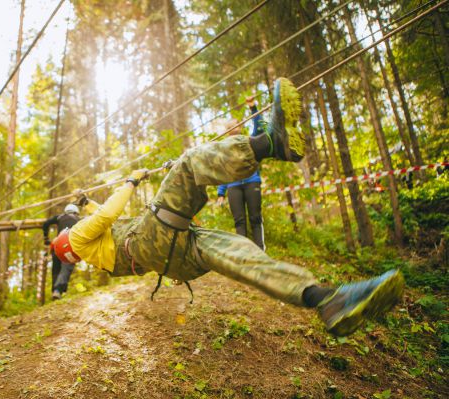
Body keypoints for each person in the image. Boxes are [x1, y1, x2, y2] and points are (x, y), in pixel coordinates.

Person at [53, 78, 404, 337]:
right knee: (189, 164)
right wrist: (131, 182)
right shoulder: (79, 237)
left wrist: (86, 200)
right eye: (71, 226)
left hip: (174, 259)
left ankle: (327, 301)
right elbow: (107, 215)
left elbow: (101, 218)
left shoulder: (92, 251)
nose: (72, 224)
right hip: (152, 242)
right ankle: (270, 143)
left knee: (241, 254)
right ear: (68, 238)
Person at [217, 96, 266, 250]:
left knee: (255, 218)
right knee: (239, 221)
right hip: (233, 186)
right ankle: (243, 254)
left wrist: (253, 107)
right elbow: (223, 170)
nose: (233, 128)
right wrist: (220, 194)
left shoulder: (249, 140)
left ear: (240, 127)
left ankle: (260, 253)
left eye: (236, 125)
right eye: (230, 127)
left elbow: (259, 127)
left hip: (252, 182)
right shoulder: (224, 147)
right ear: (227, 131)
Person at [42, 204, 81, 299]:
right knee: (66, 268)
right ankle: (58, 290)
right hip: (70, 247)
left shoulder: (60, 217)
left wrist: (46, 238)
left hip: (57, 245)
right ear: (76, 212)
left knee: (56, 268)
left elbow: (46, 223)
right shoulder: (79, 220)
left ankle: (55, 292)